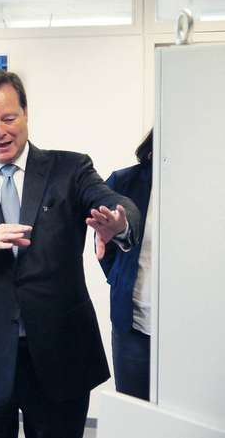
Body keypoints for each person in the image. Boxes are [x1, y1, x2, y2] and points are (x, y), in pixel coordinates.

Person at [0, 69, 140, 438]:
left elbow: (118, 205)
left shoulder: (70, 169)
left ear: (26, 113)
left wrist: (118, 224)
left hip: (60, 354)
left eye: (8, 118)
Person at [97, 129, 153, 401]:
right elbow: (104, 242)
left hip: (192, 330)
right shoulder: (125, 181)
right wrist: (119, 278)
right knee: (136, 417)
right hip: (133, 327)